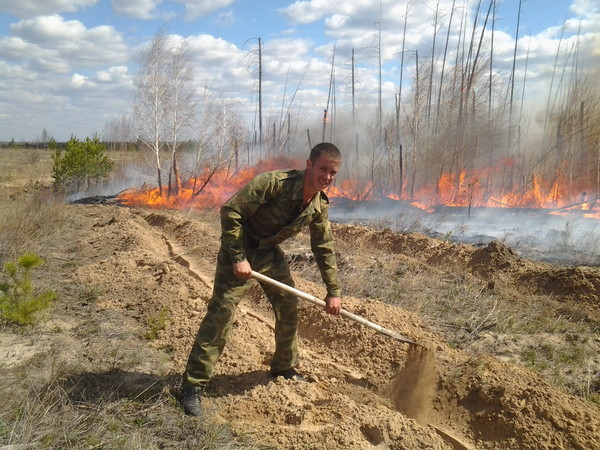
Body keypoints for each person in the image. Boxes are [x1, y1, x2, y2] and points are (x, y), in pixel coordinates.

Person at [180, 142, 343, 416]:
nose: (327, 176)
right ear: (309, 164)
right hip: (241, 249)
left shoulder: (318, 204)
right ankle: (192, 387)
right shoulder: (274, 183)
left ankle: (283, 367)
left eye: (333, 172)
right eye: (323, 168)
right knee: (222, 314)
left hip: (268, 253)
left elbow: (323, 248)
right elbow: (231, 211)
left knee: (288, 305)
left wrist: (333, 290)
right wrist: (237, 257)